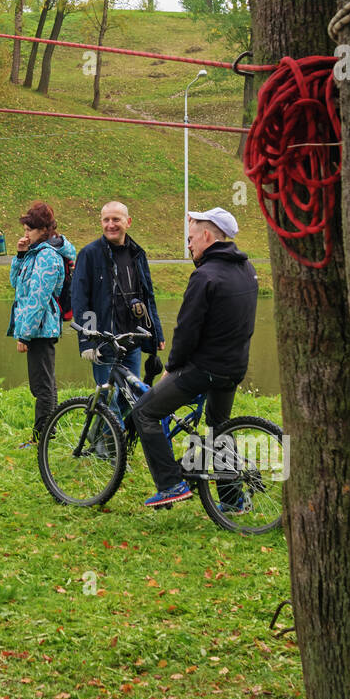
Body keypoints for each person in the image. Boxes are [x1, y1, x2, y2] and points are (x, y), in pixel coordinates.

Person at [130, 207, 259, 509]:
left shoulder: (204, 276)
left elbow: (186, 331)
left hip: (206, 368)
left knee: (144, 413)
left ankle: (171, 484)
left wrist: (171, 368)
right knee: (219, 428)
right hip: (234, 367)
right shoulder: (246, 269)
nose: (188, 245)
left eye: (190, 239)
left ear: (206, 236)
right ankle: (231, 499)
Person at [70, 200, 164, 422]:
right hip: (103, 341)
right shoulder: (89, 254)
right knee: (107, 399)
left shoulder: (137, 253)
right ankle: (110, 450)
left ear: (128, 222)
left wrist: (156, 332)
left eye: (116, 219)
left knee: (129, 398)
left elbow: (147, 295)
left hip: (131, 340)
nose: (110, 224)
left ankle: (106, 439)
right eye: (106, 220)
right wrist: (87, 341)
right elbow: (80, 300)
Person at [8, 201, 77, 447]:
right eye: (26, 229)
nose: (26, 233)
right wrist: (20, 254)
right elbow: (16, 283)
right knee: (45, 384)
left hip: (41, 329)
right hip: (37, 328)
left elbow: (38, 298)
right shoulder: (36, 252)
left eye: (30, 229)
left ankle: (41, 439)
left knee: (42, 387)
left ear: (44, 229)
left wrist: (24, 335)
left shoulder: (48, 256)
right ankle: (48, 435)